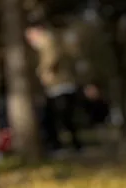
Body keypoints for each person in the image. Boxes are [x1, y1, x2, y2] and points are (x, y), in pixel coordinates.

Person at [26, 24, 82, 154]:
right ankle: (67, 145)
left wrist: (43, 72)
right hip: (56, 86)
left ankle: (69, 145)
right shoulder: (46, 43)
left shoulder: (47, 42)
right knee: (58, 118)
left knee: (62, 117)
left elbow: (51, 59)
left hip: (59, 85)